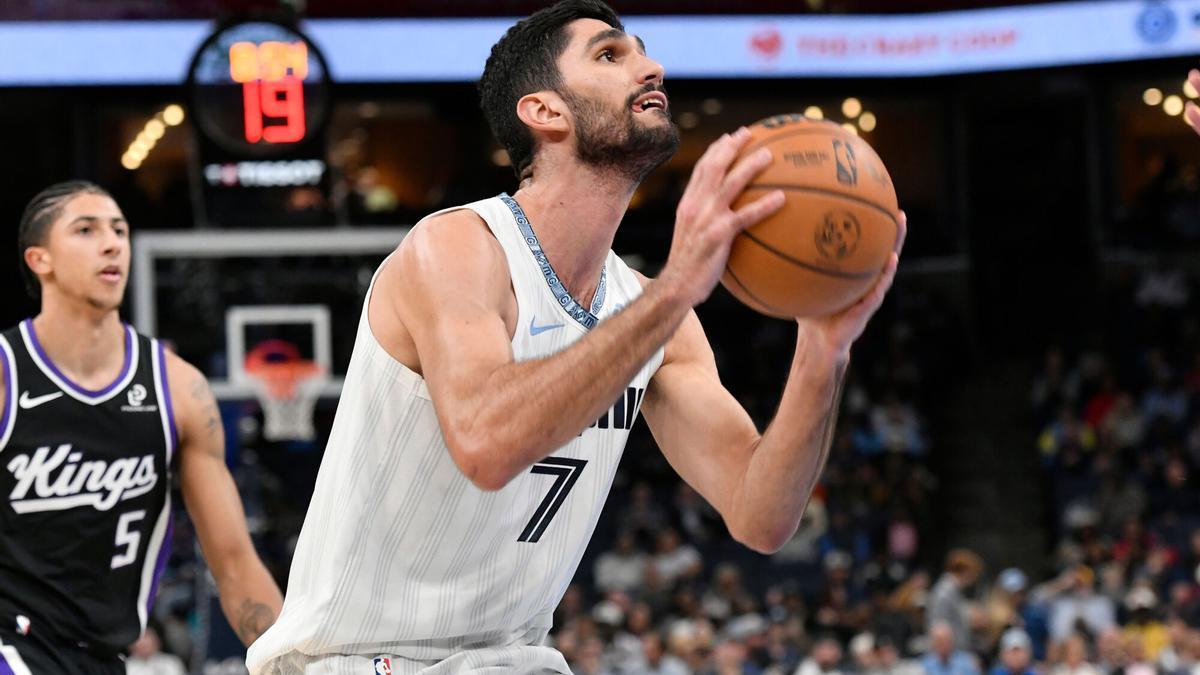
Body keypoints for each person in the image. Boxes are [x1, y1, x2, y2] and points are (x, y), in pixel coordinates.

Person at [247, 0, 905, 672]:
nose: (651, 67)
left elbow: (760, 514)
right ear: (545, 111)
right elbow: (487, 443)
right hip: (357, 657)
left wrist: (823, 347)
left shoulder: (656, 314)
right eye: (610, 55)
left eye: (643, 51)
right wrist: (678, 286)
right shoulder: (456, 248)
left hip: (511, 660)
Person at [0, 181, 282, 673]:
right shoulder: (6, 377)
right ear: (39, 259)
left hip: (105, 657)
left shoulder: (178, 389)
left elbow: (236, 564)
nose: (112, 244)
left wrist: (290, 662)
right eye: (86, 230)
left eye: (119, 230)